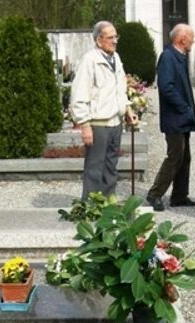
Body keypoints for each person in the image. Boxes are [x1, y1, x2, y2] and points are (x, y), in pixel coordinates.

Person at [70, 21, 139, 200]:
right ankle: (90, 207)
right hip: (98, 124)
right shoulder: (90, 60)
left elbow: (120, 88)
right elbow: (79, 94)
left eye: (116, 36)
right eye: (110, 37)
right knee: (94, 167)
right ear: (99, 40)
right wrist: (84, 125)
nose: (115, 41)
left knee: (111, 166)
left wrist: (127, 109)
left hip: (115, 122)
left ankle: (108, 203)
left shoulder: (116, 58)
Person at [146, 24, 195, 212]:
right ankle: (154, 195)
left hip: (182, 117)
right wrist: (184, 108)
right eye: (191, 36)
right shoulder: (168, 57)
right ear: (182, 38)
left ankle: (179, 196)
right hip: (175, 117)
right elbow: (166, 87)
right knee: (175, 156)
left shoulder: (179, 57)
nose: (193, 40)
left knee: (185, 157)